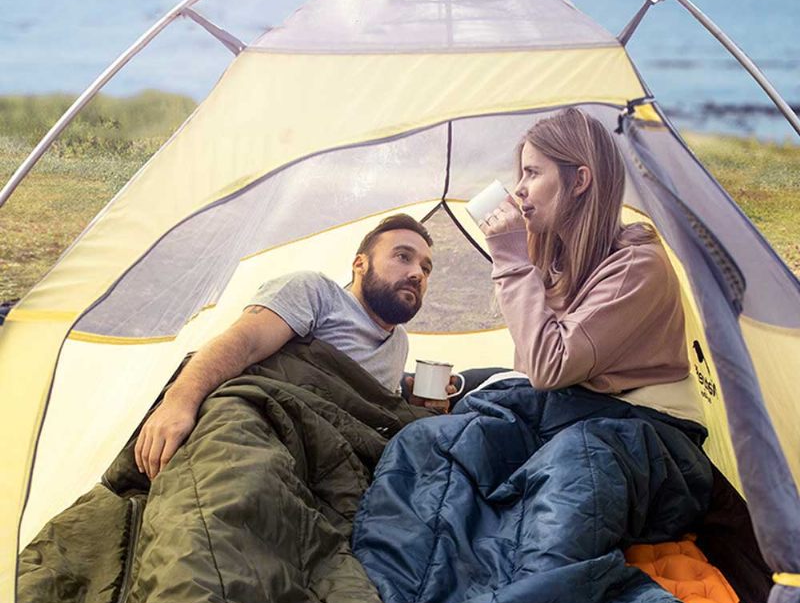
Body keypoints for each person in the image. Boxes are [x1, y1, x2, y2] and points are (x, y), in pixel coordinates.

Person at [135, 213, 450, 480]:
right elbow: (244, 342)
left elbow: (371, 411)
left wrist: (412, 404)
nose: (416, 274)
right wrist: (179, 403)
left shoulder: (399, 343)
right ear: (360, 264)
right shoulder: (317, 293)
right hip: (275, 430)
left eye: (426, 268)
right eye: (402, 257)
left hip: (341, 459)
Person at [478, 107, 702, 420]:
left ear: (579, 180)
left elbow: (548, 369)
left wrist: (512, 260)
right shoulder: (557, 265)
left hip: (636, 425)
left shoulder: (637, 267)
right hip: (577, 415)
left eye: (533, 172)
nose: (519, 188)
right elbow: (528, 371)